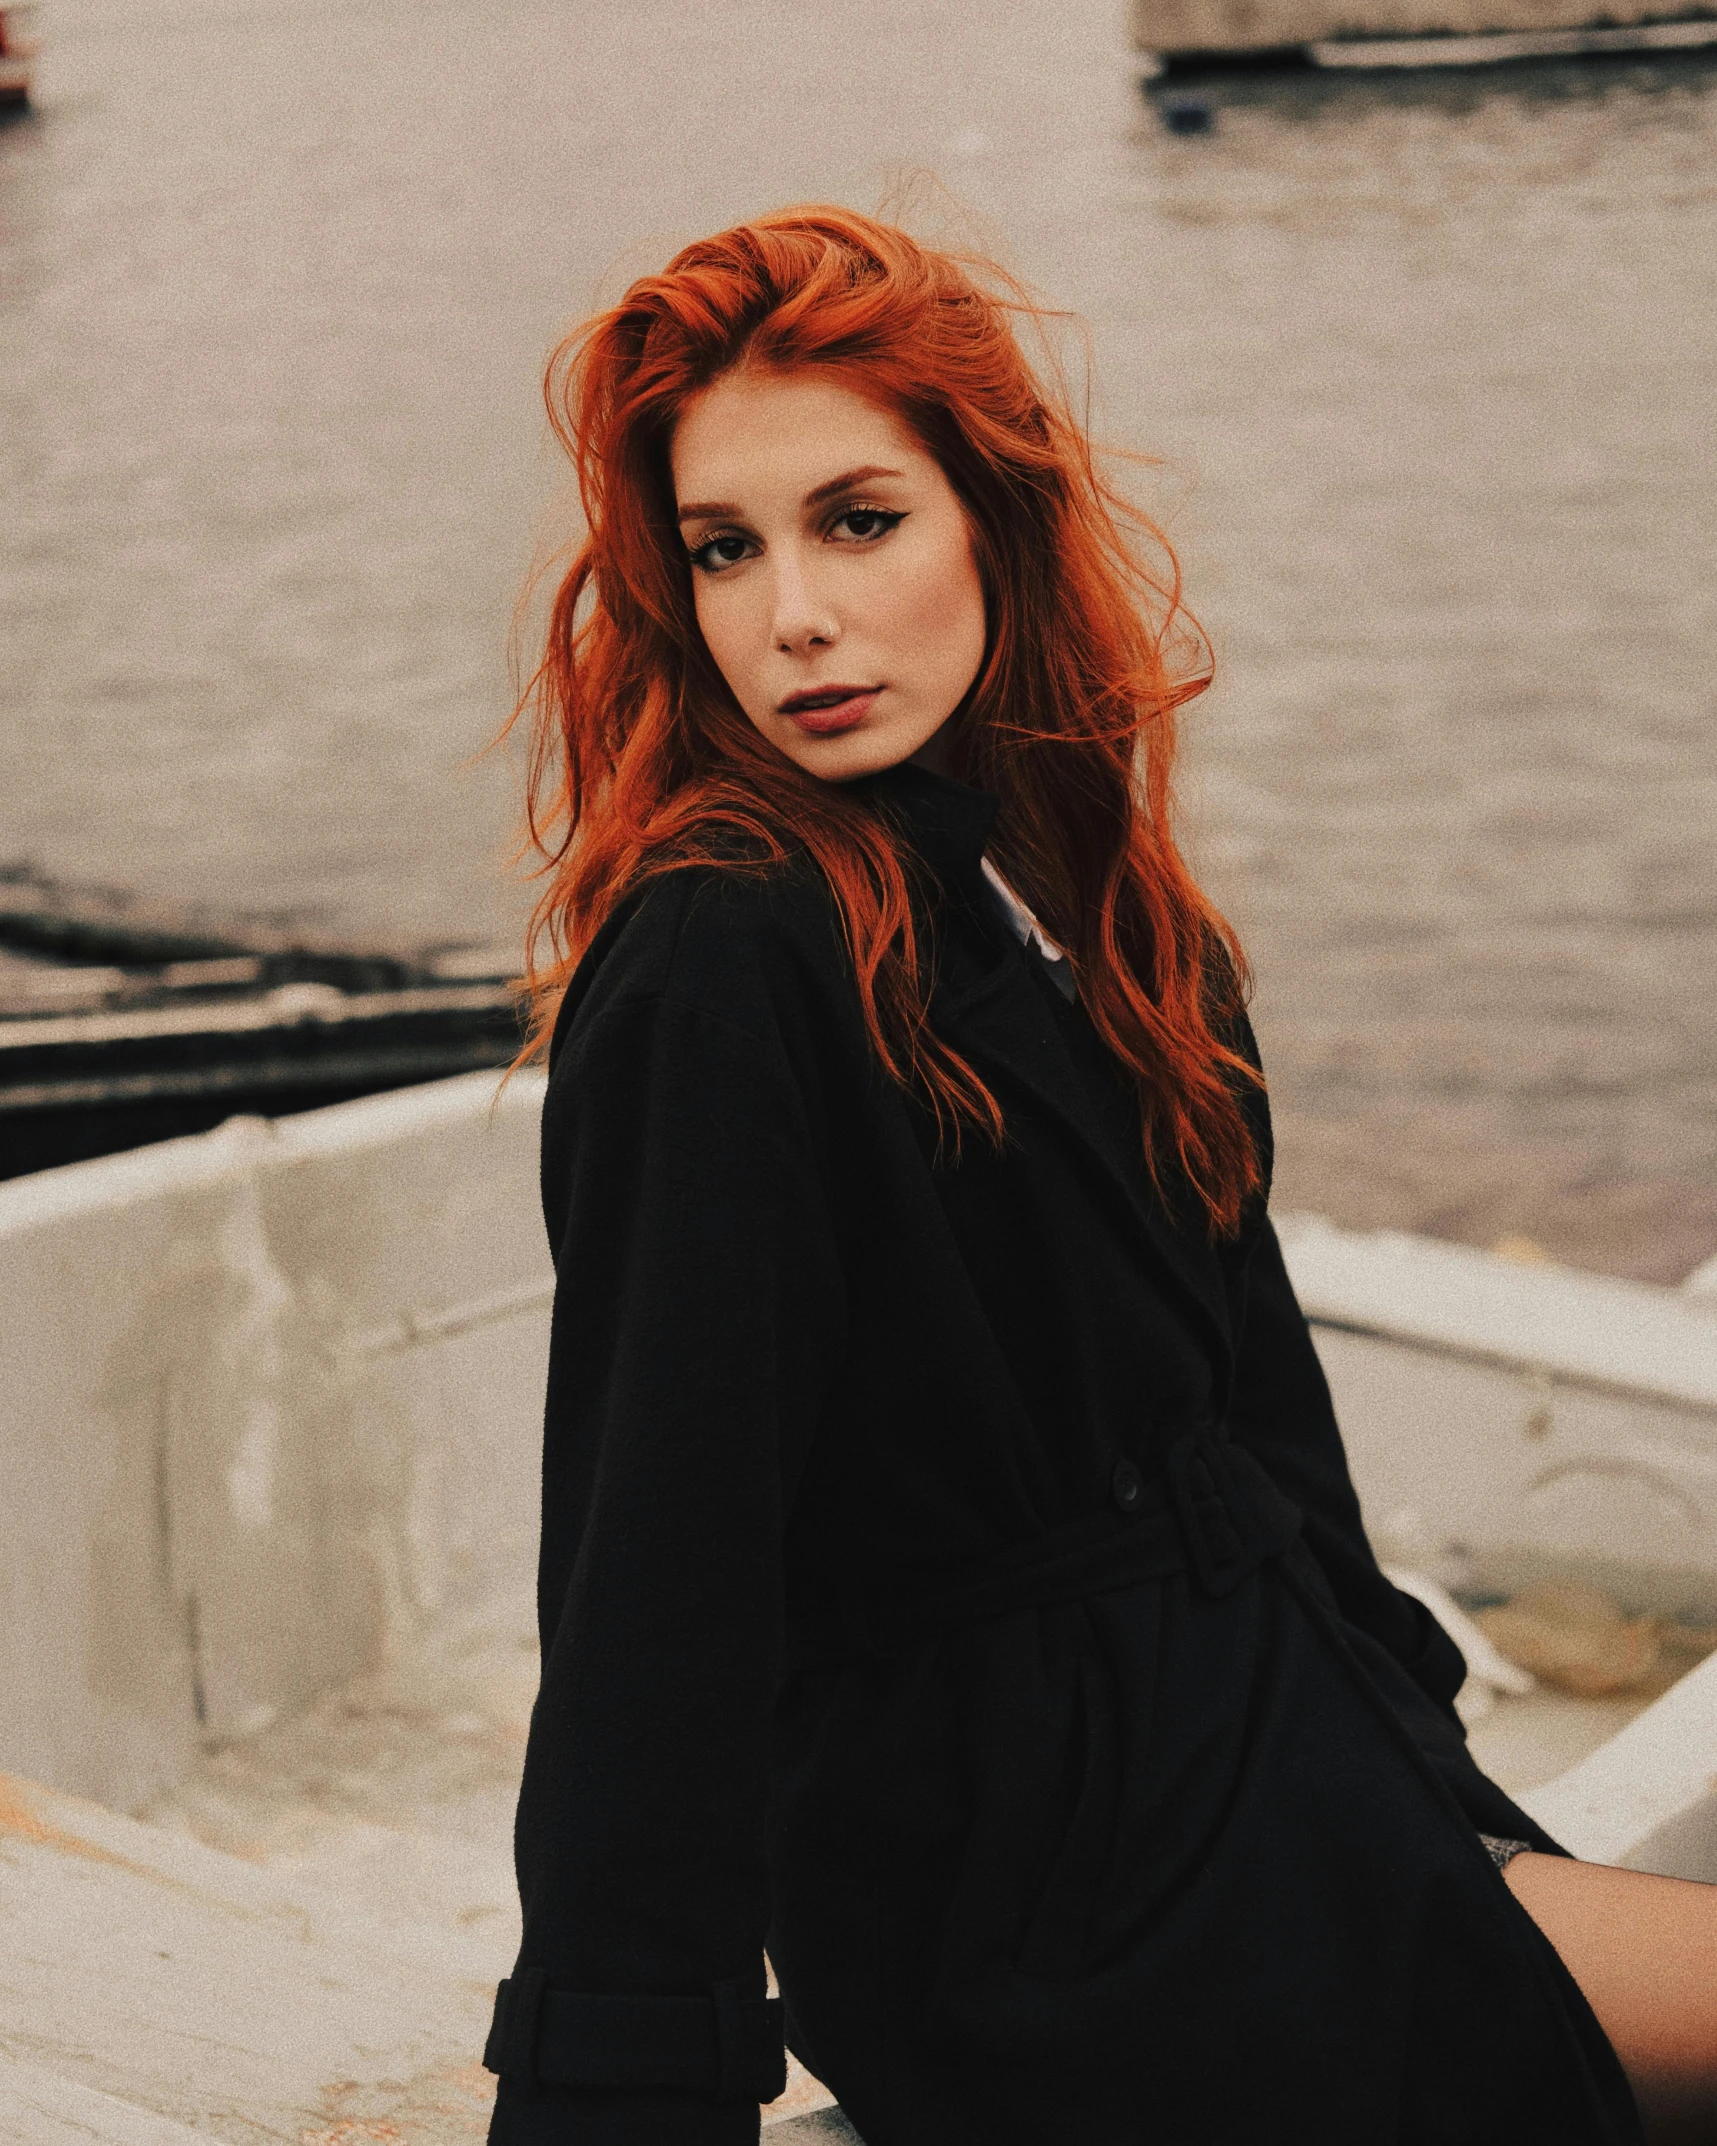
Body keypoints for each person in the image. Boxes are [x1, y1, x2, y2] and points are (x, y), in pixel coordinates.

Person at [482, 207, 1717, 2145]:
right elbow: (660, 1577)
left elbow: (1255, 1391)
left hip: (1262, 1746)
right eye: (725, 549)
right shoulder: (724, 952)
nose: (791, 612)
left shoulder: (1072, 887)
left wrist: (1413, 1756)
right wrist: (621, 2082)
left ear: (993, 513)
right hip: (1023, 1868)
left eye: (857, 519)